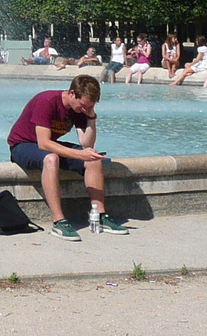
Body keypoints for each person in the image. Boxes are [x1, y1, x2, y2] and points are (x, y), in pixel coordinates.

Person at [7, 74, 128, 241]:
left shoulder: (80, 109)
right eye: (83, 105)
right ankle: (59, 222)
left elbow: (87, 143)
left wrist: (91, 117)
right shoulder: (47, 101)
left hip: (46, 145)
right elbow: (44, 144)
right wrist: (79, 154)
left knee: (93, 158)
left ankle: (100, 215)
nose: (84, 109)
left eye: (90, 106)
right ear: (72, 93)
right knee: (51, 159)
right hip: (22, 145)